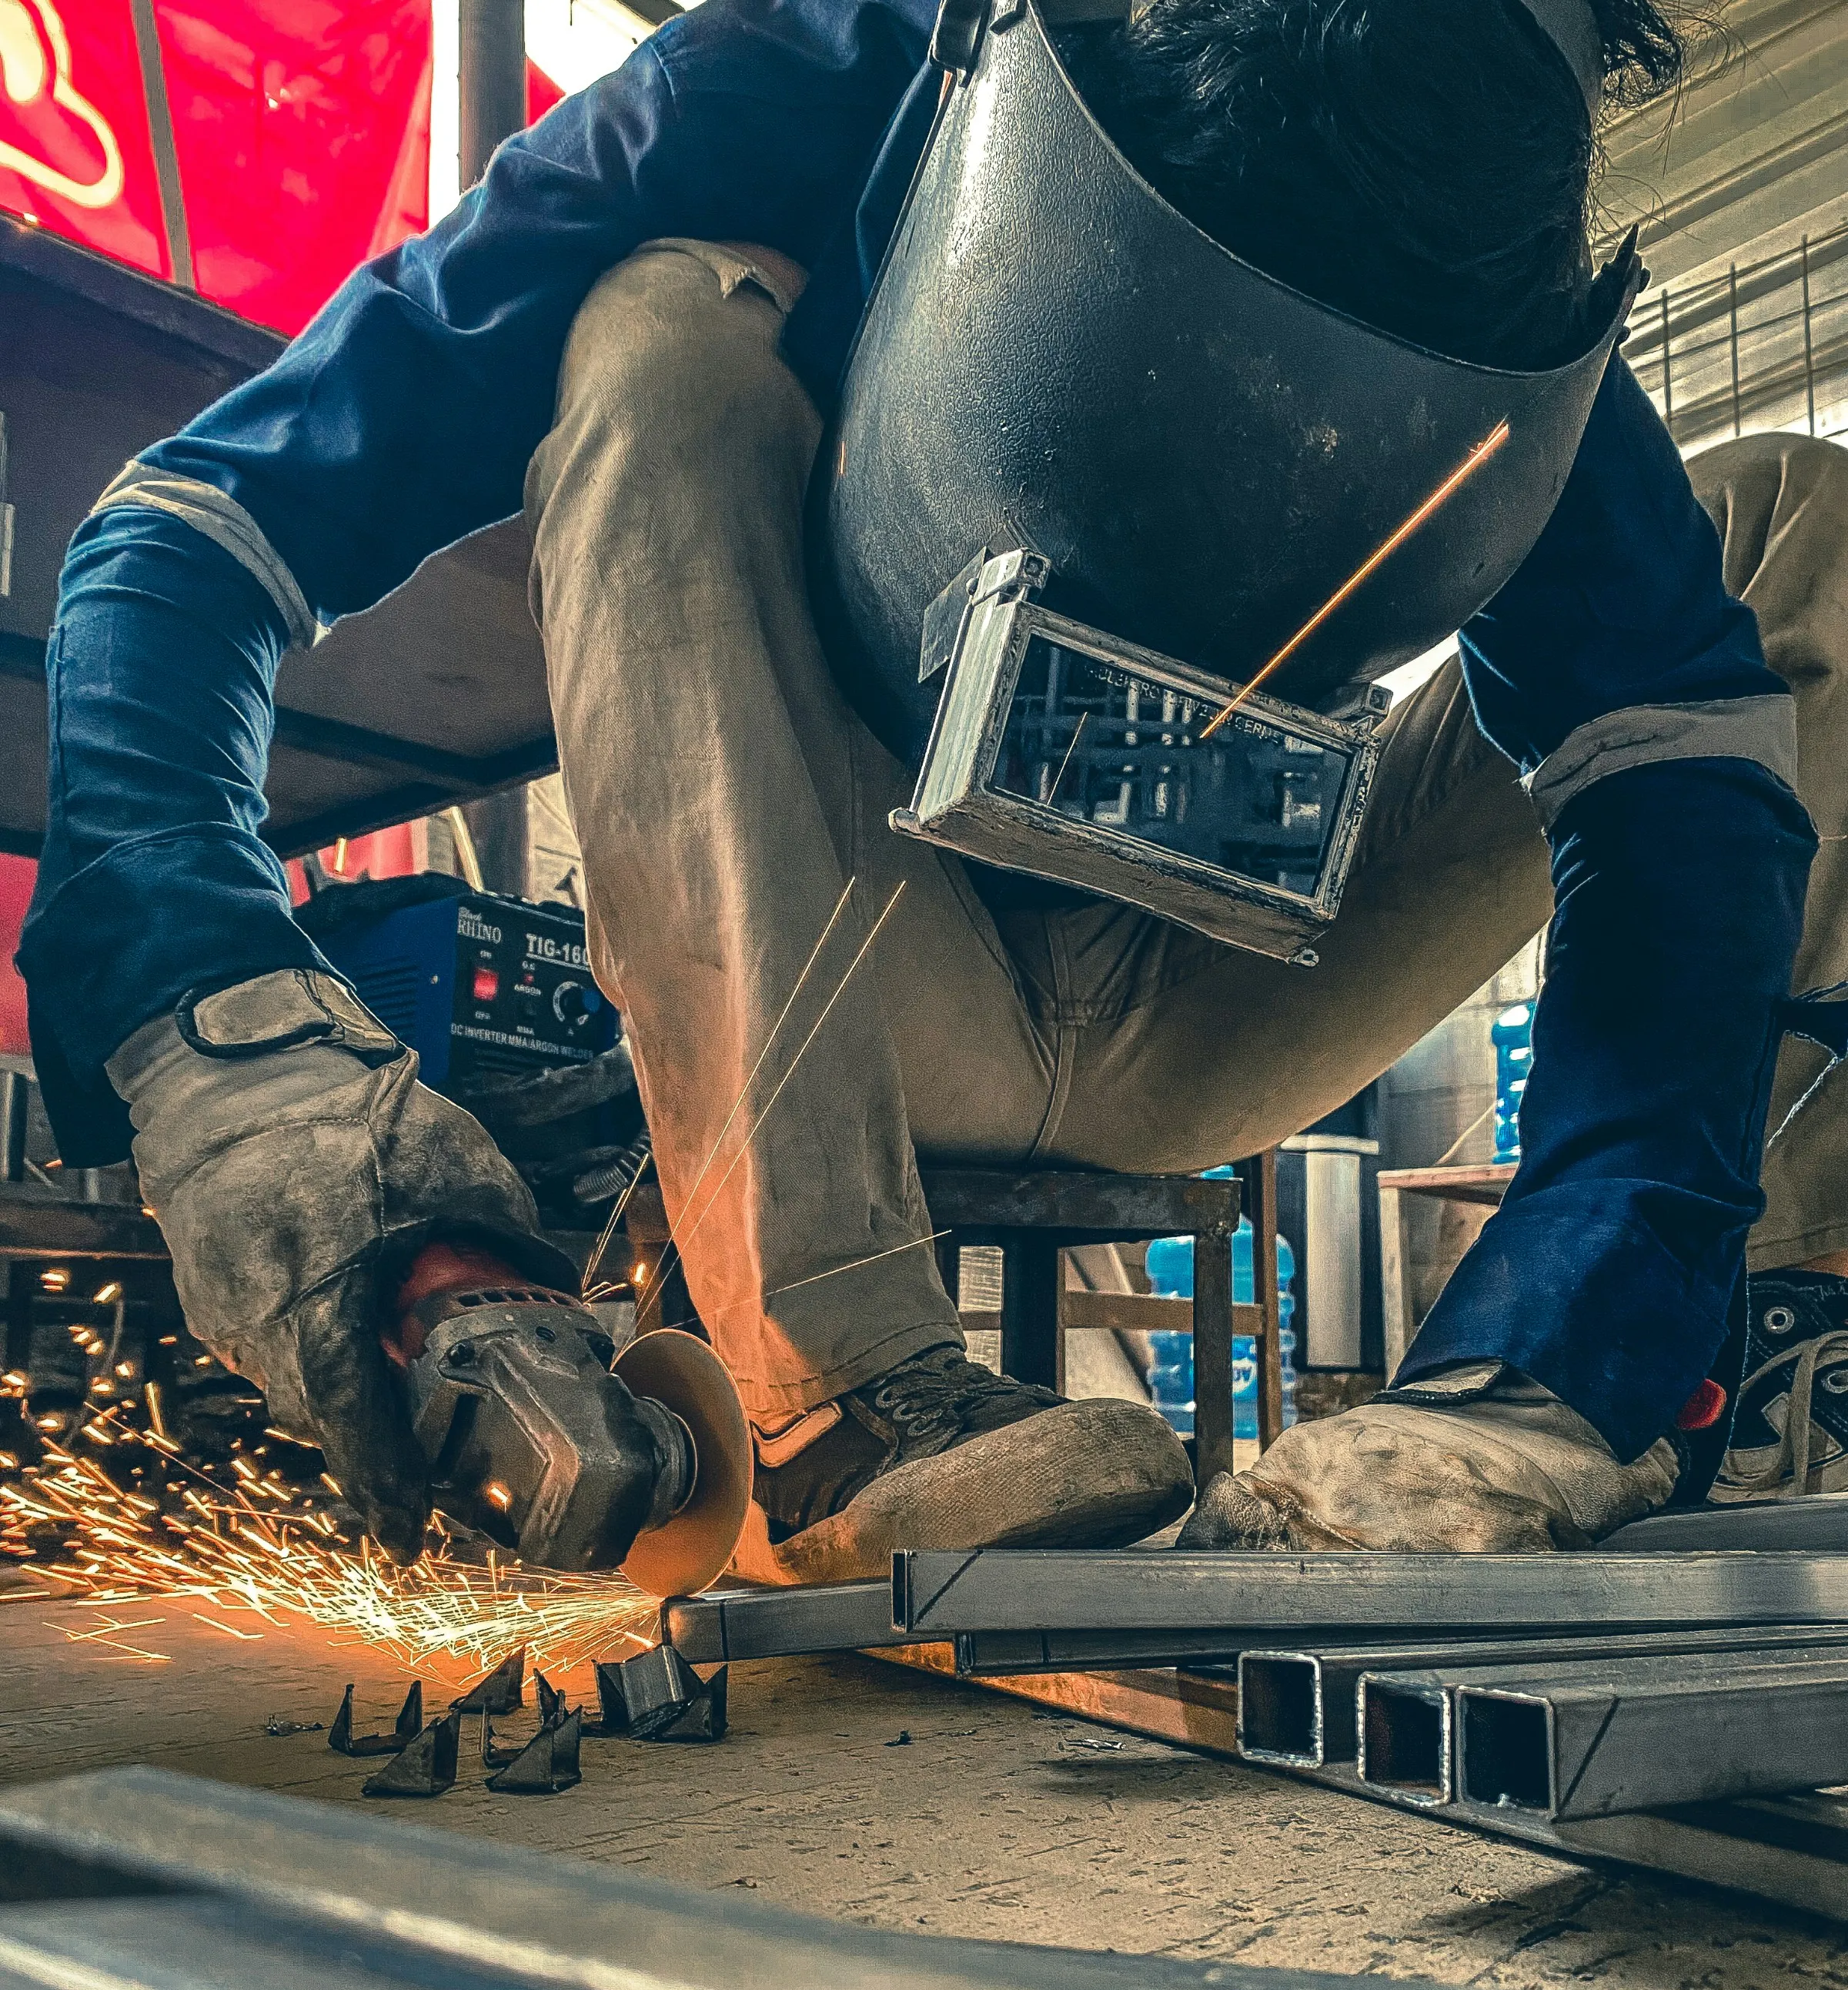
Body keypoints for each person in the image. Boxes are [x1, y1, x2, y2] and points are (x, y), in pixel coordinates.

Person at [22, 0, 1843, 1577]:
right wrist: (220, 1029)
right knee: (661, 337)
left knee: (1796, 533)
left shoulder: (1493, 312)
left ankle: (1729, 1361)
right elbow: (185, 531)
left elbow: (1678, 782)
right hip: (856, 975)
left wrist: (1583, 1314)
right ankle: (838, 1397)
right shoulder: (793, 83)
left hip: (1224, 1003)